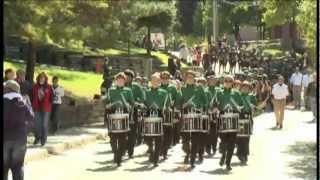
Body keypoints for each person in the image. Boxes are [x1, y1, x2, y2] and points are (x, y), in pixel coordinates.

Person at [4, 80, 34, 180]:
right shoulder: (23, 103)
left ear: (8, 89)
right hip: (20, 139)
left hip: (5, 138)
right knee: (17, 167)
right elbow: (31, 117)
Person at [104, 72, 134, 166]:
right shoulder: (111, 90)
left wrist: (128, 106)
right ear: (116, 81)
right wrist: (110, 104)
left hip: (124, 114)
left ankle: (119, 156)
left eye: (122, 80)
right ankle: (115, 152)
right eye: (118, 80)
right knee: (113, 137)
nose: (120, 81)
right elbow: (107, 103)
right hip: (113, 114)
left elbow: (132, 103)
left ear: (124, 81)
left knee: (122, 138)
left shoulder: (128, 90)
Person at [181, 70, 208, 168]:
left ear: (194, 78)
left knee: (195, 138)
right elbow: (178, 101)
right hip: (185, 114)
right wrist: (181, 104)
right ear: (185, 78)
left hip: (196, 114)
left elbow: (205, 101)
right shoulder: (182, 89)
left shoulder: (199, 88)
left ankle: (192, 158)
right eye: (188, 77)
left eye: (191, 77)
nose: (189, 79)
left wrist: (199, 106)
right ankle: (187, 152)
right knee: (185, 139)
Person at [216, 75, 243, 171]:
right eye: (226, 81)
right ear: (223, 82)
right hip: (222, 118)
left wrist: (238, 108)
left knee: (231, 143)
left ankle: (228, 162)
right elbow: (214, 104)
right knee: (223, 142)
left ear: (232, 83)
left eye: (229, 81)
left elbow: (241, 105)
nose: (227, 82)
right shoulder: (219, 92)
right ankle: (223, 155)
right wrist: (216, 107)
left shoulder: (236, 93)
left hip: (233, 118)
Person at [144, 72, 170, 166]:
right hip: (149, 113)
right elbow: (143, 102)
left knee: (159, 138)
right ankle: (150, 148)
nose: (155, 82)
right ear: (150, 82)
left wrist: (166, 109)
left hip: (159, 114)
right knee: (148, 137)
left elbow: (167, 105)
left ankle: (156, 158)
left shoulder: (164, 92)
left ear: (159, 81)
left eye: (157, 80)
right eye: (153, 80)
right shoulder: (146, 92)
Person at [124, 69, 146, 157]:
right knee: (122, 132)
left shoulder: (136, 86)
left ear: (132, 78)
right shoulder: (120, 84)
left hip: (133, 111)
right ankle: (123, 148)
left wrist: (137, 102)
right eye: (126, 77)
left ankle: (130, 151)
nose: (127, 78)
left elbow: (142, 97)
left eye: (129, 77)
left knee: (132, 133)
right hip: (122, 110)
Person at [160, 71, 181, 157]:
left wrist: (176, 112)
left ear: (169, 79)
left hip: (170, 111)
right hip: (160, 112)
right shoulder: (158, 87)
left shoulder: (172, 88)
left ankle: (165, 148)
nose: (164, 80)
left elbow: (177, 99)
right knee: (160, 131)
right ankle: (161, 148)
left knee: (168, 132)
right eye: (163, 78)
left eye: (166, 78)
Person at [236, 81, 257, 165]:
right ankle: (240, 153)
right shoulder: (238, 96)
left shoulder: (252, 97)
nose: (245, 89)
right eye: (243, 87)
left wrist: (253, 107)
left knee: (247, 138)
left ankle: (245, 154)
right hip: (239, 116)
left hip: (248, 117)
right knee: (239, 137)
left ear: (249, 89)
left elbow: (256, 108)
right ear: (241, 88)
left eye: (247, 87)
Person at [31, 72, 54, 146]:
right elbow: (31, 96)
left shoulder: (49, 87)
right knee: (37, 124)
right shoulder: (34, 87)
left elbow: (52, 97)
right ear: (38, 79)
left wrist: (48, 103)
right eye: (40, 77)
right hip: (36, 107)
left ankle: (43, 139)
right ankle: (37, 137)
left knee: (44, 124)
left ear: (45, 79)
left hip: (46, 108)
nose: (42, 79)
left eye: (43, 77)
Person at [205, 74, 221, 156]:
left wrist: (217, 108)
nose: (212, 82)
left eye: (213, 80)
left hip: (216, 113)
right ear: (208, 81)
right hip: (207, 113)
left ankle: (214, 147)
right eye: (210, 80)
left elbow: (221, 101)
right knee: (207, 131)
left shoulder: (218, 90)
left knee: (215, 132)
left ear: (216, 82)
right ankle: (207, 147)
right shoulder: (205, 90)